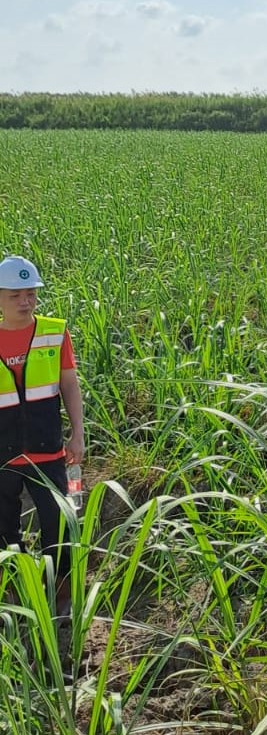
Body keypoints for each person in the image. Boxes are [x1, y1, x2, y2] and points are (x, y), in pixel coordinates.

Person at [0, 255, 84, 616]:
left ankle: (61, 599)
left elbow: (69, 382)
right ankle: (16, 597)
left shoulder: (54, 331)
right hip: (2, 456)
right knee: (4, 533)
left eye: (30, 293)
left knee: (59, 526)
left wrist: (77, 433)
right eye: (15, 294)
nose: (25, 301)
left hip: (48, 450)